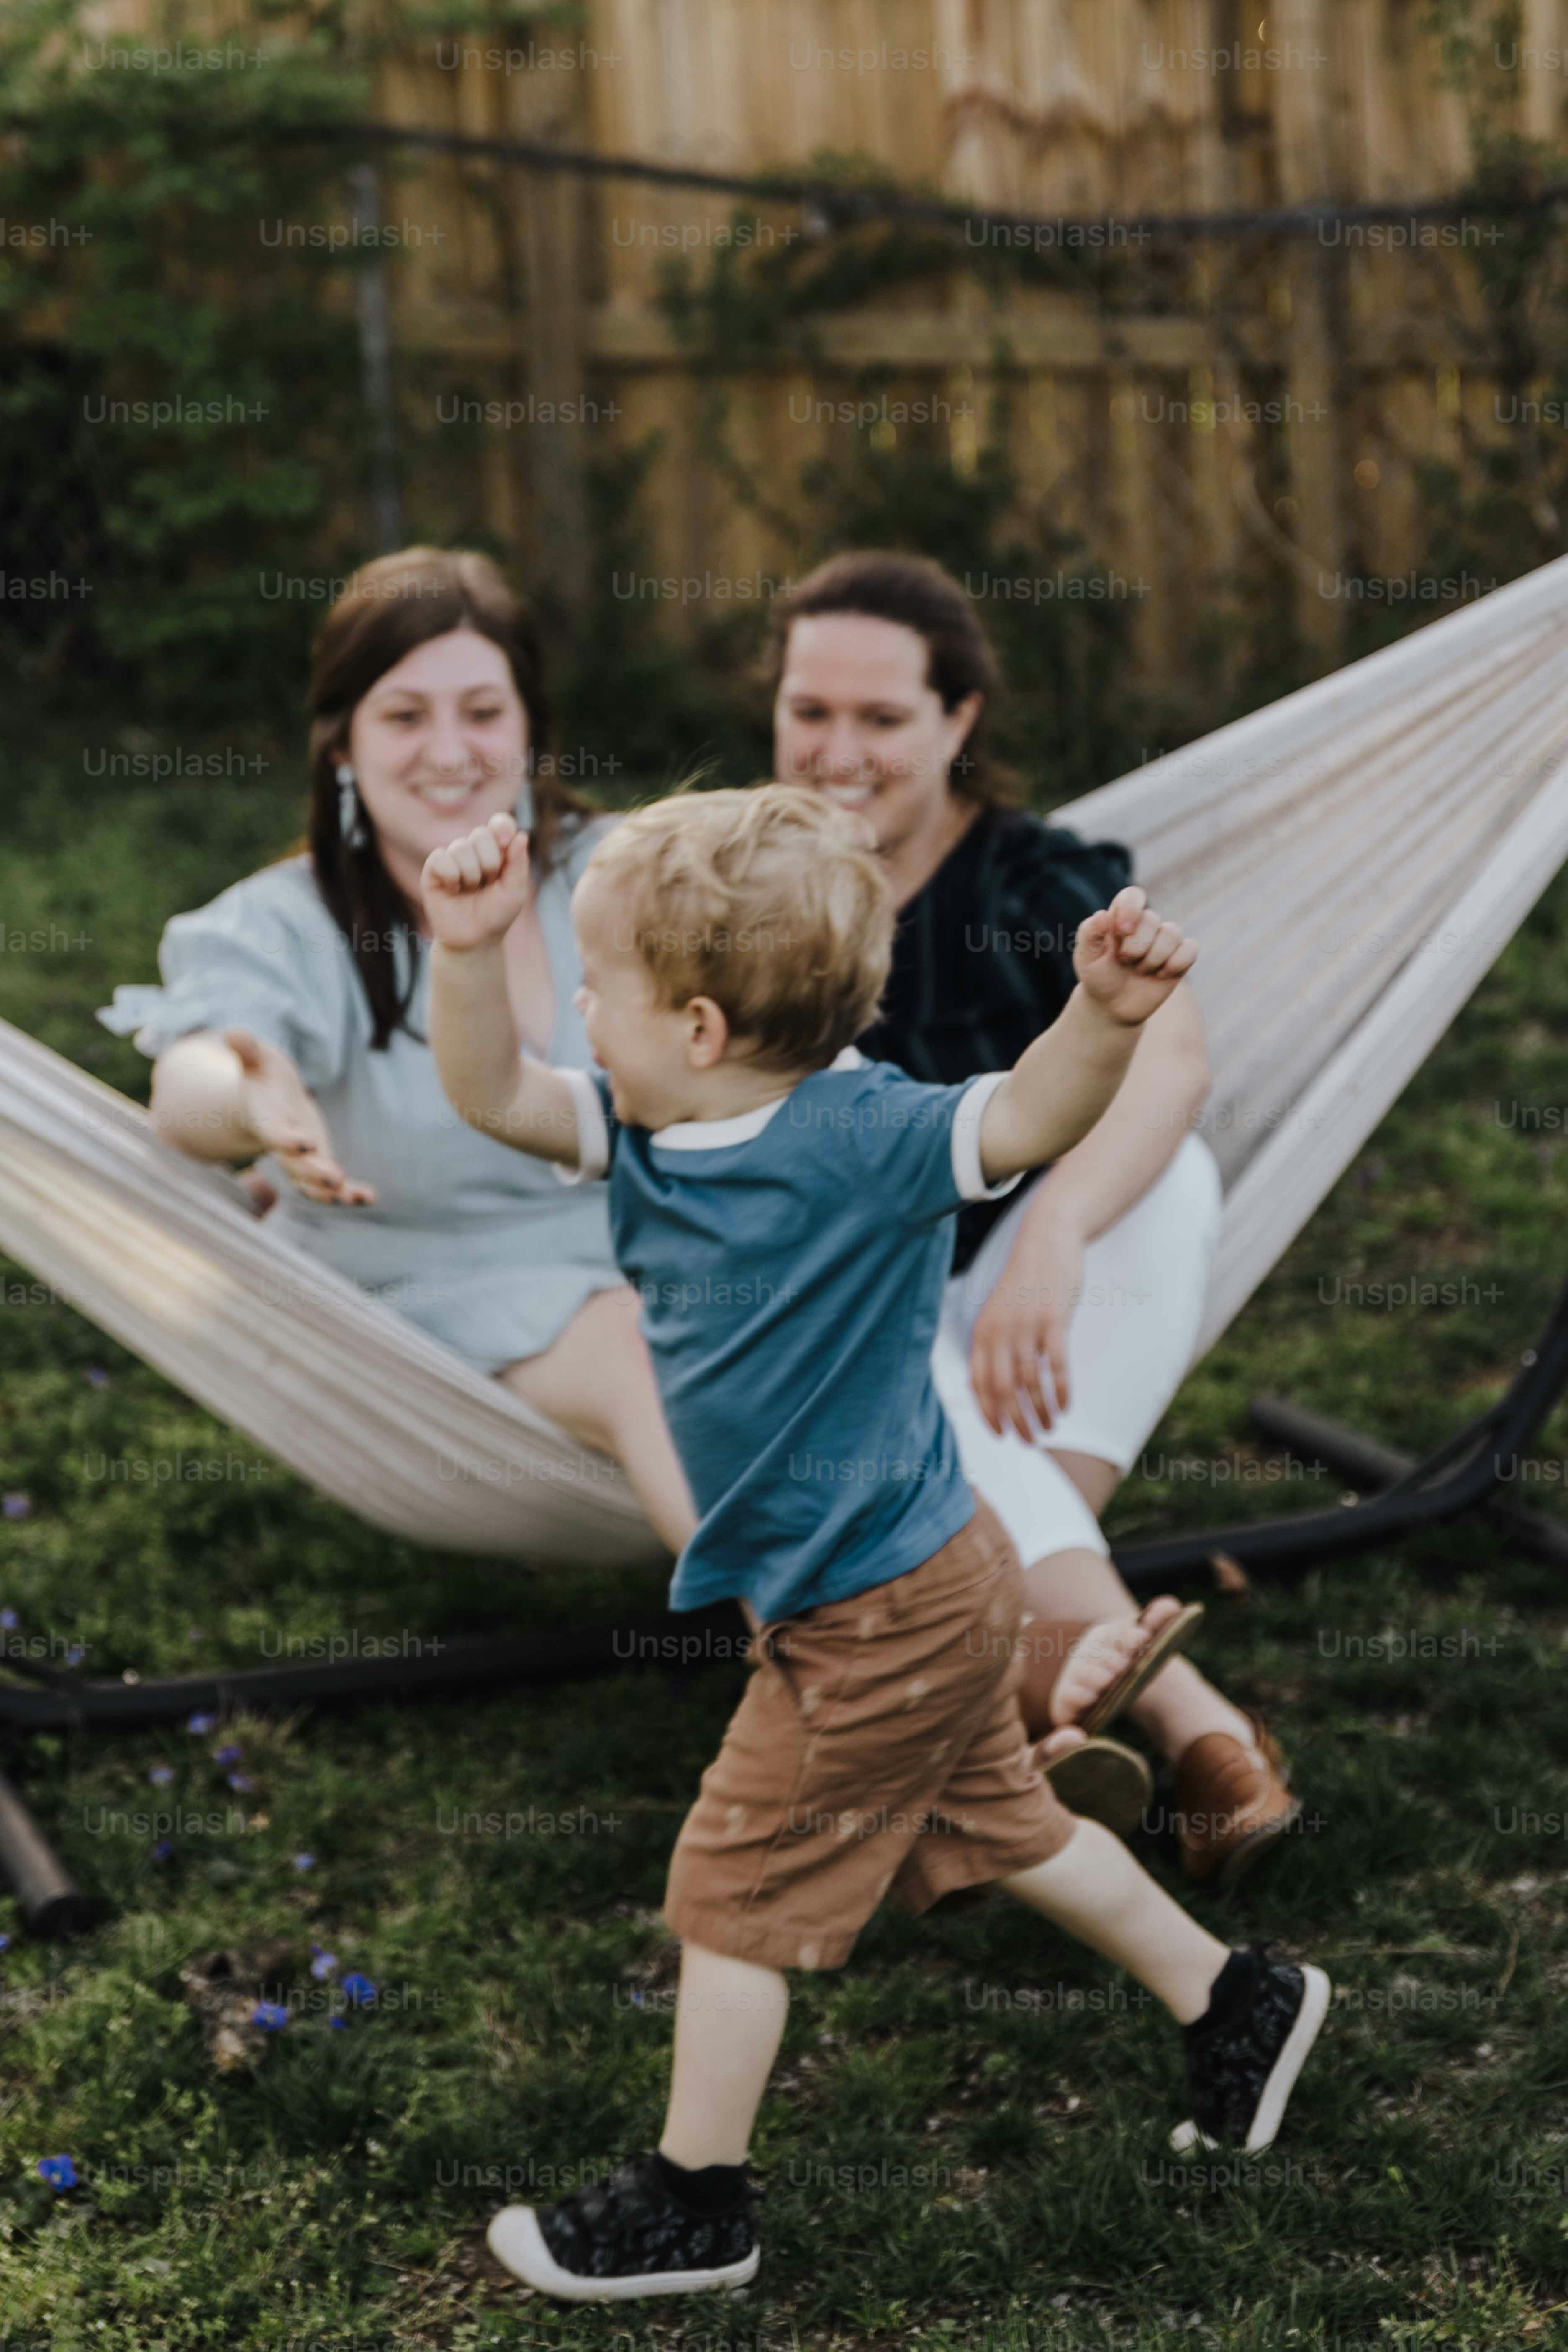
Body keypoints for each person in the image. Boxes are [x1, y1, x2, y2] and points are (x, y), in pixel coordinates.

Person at [421, 784, 1330, 2302]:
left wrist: (1099, 1015)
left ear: (699, 1024)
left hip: (882, 1605)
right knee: (1009, 1827)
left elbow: (1029, 1116)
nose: (576, 1013)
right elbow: (490, 1095)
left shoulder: (864, 1133)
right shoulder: (643, 1124)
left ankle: (693, 2203)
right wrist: (466, 947)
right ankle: (1232, 1997)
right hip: (892, 1578)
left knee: (730, 1886)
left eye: (599, 988)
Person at [769, 551, 1299, 1887]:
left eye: (881, 718)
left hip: (1014, 1293)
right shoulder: (736, 884)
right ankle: (1180, 1716)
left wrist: (1053, 1235)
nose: (838, 749)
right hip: (829, 1333)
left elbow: (1169, 1061)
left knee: (1167, 1175)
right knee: (869, 1331)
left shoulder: (1031, 878)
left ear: (958, 723)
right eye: (808, 711)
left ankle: (1015, 1692)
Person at [97, 547, 695, 1551]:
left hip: (673, 1267)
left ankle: (1013, 1664)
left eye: (482, 712)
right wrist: (255, 1099)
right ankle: (842, 1678)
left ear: (531, 731)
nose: (449, 751)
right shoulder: (287, 926)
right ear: (343, 746)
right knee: (657, 1357)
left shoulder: (630, 874)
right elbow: (190, 1085)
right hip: (425, 1299)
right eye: (405, 716)